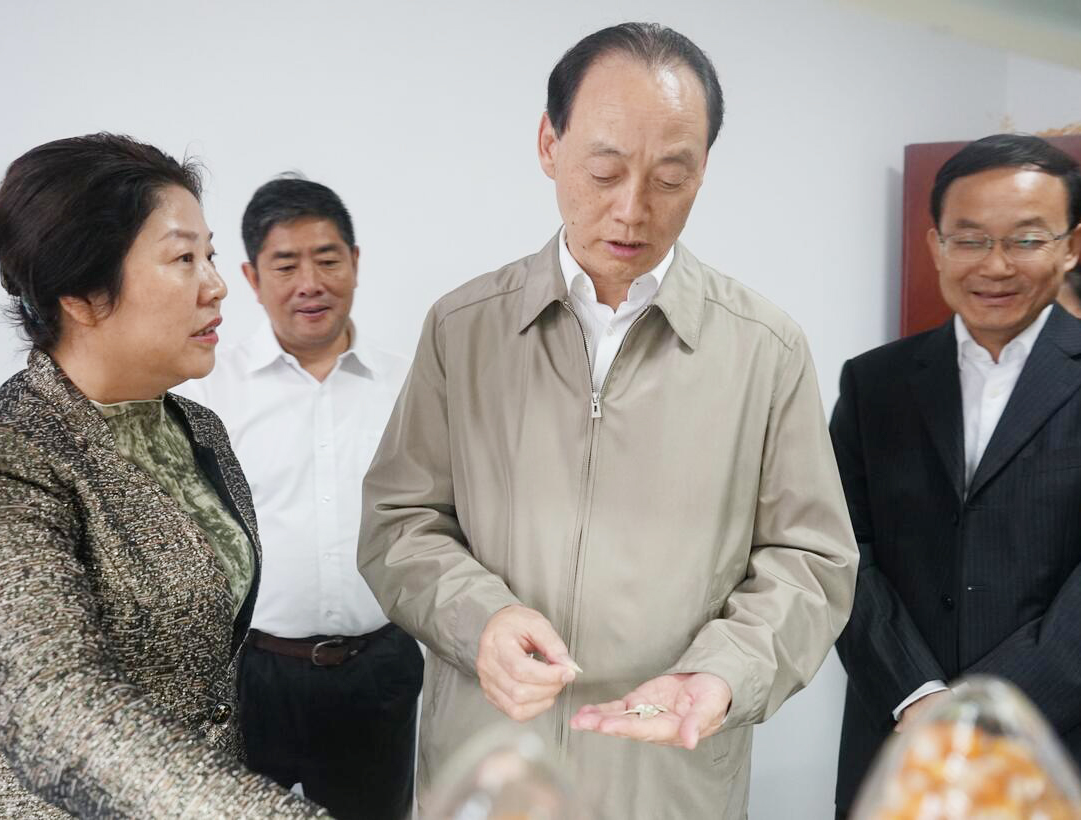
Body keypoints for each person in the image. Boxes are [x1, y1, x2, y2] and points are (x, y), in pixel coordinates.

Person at [357, 22, 858, 819]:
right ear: (548, 145)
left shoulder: (764, 348)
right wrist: (479, 620)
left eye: (670, 177)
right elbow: (399, 521)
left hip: (665, 782)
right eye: (603, 170)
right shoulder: (463, 327)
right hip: (490, 773)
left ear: (702, 172)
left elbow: (810, 559)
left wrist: (722, 673)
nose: (632, 210)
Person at [0, 134, 330, 818]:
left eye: (210, 255)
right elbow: (52, 707)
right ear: (81, 292)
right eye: (183, 259)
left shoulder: (197, 430)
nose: (216, 285)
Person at [832, 133, 1081, 815]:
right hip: (897, 744)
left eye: (1026, 240)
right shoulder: (873, 382)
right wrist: (917, 696)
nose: (994, 265)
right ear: (935, 245)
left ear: (1071, 245)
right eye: (968, 239)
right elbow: (836, 551)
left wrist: (978, 713)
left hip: (1068, 752)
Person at [177, 176, 421, 819]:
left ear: (355, 263)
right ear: (252, 279)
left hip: (378, 665)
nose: (310, 283)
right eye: (286, 265)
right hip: (251, 672)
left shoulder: (412, 384)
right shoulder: (207, 391)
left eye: (327, 259)